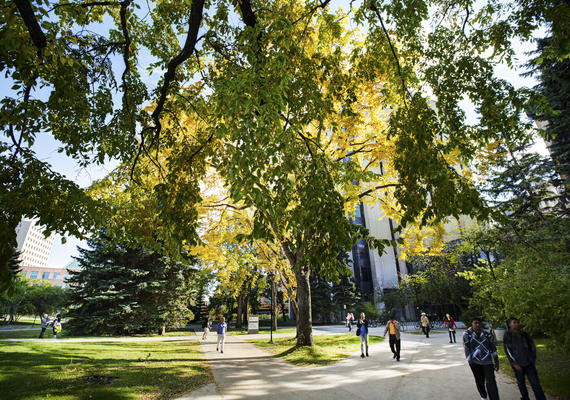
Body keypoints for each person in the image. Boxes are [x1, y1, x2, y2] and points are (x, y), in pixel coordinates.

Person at [503, 317, 546, 400]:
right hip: (518, 365)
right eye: (514, 322)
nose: (516, 324)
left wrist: (532, 359)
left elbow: (532, 347)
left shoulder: (524, 334)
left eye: (517, 322)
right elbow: (507, 350)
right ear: (510, 324)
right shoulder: (508, 335)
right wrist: (514, 363)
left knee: (535, 384)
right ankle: (525, 398)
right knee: (521, 384)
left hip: (529, 363)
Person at [463, 317, 500, 400]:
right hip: (475, 362)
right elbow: (466, 348)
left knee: (491, 382)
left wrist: (496, 361)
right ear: (472, 324)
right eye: (475, 323)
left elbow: (493, 348)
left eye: (479, 323)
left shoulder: (487, 334)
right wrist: (470, 361)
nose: (477, 325)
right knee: (479, 381)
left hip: (488, 362)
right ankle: (483, 396)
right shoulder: (467, 334)